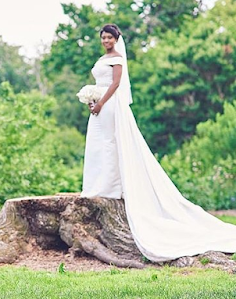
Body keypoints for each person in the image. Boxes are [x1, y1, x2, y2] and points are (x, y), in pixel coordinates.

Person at [80, 24, 236, 262]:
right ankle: (96, 185)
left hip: (110, 104)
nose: (106, 40)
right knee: (98, 144)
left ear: (116, 39)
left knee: (111, 144)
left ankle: (111, 186)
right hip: (100, 104)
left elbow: (115, 84)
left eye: (109, 37)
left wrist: (101, 102)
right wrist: (92, 99)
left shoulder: (118, 59)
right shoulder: (103, 58)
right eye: (103, 37)